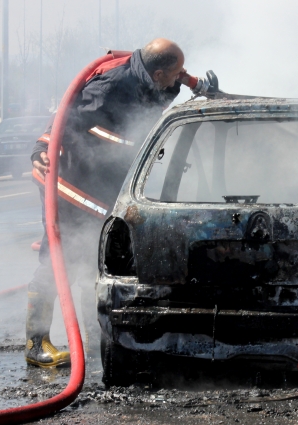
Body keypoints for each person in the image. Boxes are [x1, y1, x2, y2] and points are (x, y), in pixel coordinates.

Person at [25, 38, 206, 367]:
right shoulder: (114, 85)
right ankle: (36, 346)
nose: (182, 76)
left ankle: (96, 340)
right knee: (60, 259)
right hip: (66, 178)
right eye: (176, 73)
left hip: (95, 179)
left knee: (98, 260)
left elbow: (148, 108)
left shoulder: (145, 77)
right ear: (159, 70)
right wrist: (40, 148)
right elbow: (70, 117)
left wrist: (179, 84)